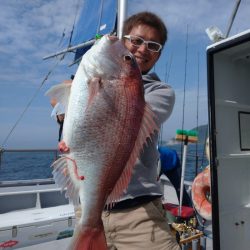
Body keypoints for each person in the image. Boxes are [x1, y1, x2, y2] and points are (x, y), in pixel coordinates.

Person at [58, 11, 180, 250]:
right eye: (136, 41)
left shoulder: (161, 91)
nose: (143, 49)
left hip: (139, 213)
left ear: (158, 55)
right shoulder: (94, 80)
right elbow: (71, 114)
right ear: (124, 40)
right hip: (88, 208)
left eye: (153, 45)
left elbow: (130, 118)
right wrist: (64, 109)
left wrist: (81, 94)